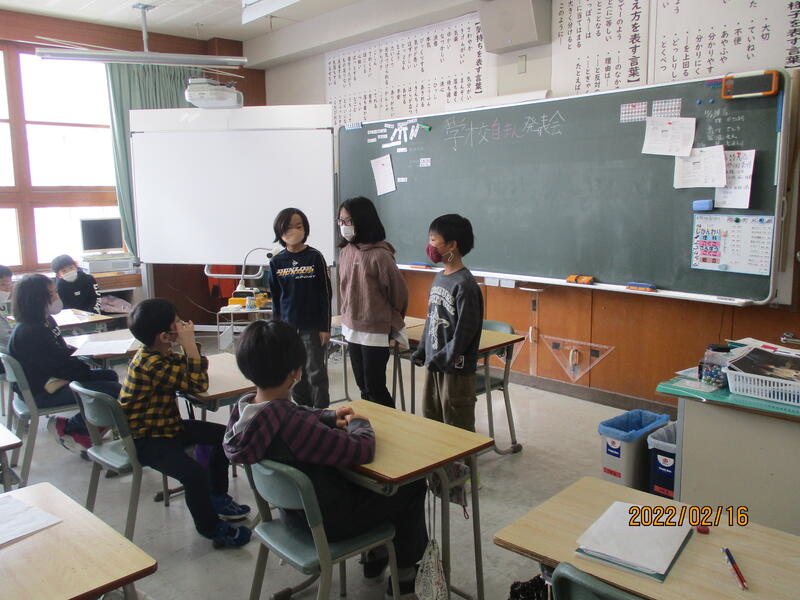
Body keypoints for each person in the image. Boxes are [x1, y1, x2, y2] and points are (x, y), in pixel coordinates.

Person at [224, 320, 427, 598]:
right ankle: (404, 578)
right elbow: (360, 450)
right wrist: (359, 423)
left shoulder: (246, 412)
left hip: (292, 517)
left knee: (367, 483)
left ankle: (375, 560)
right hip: (327, 524)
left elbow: (293, 413)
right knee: (410, 484)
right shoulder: (292, 426)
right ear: (296, 372)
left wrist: (329, 416)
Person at [119, 298, 251, 548]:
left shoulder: (158, 353)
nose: (184, 325)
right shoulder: (151, 364)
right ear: (164, 336)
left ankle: (217, 496)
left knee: (224, 436)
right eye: (178, 323)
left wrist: (189, 347)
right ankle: (210, 528)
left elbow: (191, 370)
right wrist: (189, 344)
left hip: (167, 427)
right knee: (194, 475)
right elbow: (198, 383)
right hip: (148, 439)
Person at [7, 274, 120, 451]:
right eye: (52, 294)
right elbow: (61, 367)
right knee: (112, 390)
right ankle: (70, 428)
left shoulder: (45, 321)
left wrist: (83, 360)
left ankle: (86, 431)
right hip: (42, 392)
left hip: (51, 380)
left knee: (110, 375)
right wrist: (85, 369)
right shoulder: (30, 332)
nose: (57, 297)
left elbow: (61, 353)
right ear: (37, 299)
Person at [411, 214, 483, 431]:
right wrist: (422, 350)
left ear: (452, 245)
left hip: (455, 370)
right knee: (432, 418)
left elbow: (465, 333)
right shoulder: (440, 277)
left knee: (456, 423)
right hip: (435, 363)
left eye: (434, 240)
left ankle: (463, 456)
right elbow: (431, 319)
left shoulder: (465, 285)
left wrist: (443, 358)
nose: (430, 246)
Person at [337, 196, 408, 408]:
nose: (344, 226)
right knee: (362, 385)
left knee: (375, 386)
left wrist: (392, 322)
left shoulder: (381, 255)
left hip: (374, 329)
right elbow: (344, 288)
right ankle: (371, 423)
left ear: (363, 220)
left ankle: (389, 422)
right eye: (340, 221)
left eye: (348, 220)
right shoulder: (346, 251)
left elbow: (399, 294)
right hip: (352, 327)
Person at [269, 207, 332, 408]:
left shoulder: (315, 257)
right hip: (287, 329)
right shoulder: (276, 262)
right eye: (288, 227)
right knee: (293, 374)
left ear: (305, 229)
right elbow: (276, 299)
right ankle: (302, 412)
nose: (294, 231)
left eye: (299, 226)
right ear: (280, 232)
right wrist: (276, 329)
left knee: (316, 373)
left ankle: (321, 414)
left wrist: (325, 327)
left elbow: (325, 294)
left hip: (312, 327)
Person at [0, 265, 14, 362]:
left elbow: (13, 324)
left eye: (9, 284)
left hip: (13, 347)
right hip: (6, 355)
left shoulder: (6, 304)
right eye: (2, 284)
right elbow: (5, 337)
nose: (7, 289)